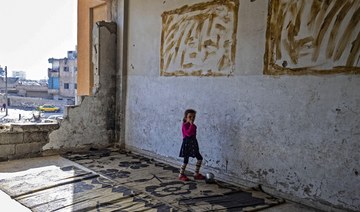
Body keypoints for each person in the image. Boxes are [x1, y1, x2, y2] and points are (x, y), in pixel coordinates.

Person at [178, 109, 206, 181]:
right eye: (190, 117)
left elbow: (194, 134)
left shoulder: (194, 126)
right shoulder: (185, 125)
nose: (192, 119)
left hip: (193, 143)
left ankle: (196, 173)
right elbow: (188, 133)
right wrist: (191, 125)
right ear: (185, 118)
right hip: (187, 144)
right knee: (186, 160)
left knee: (199, 158)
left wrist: (192, 125)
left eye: (194, 117)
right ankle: (181, 174)